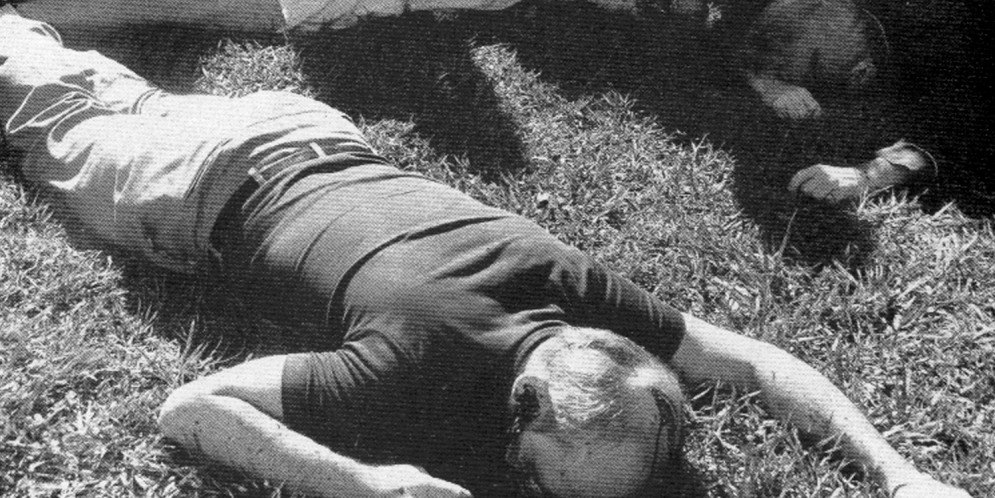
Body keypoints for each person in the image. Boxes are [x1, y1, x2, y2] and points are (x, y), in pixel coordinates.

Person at [0, 7, 972, 498]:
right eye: (549, 481)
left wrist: (898, 476)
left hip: (301, 129)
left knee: (108, 92)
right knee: (39, 99)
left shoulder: (572, 292)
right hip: (188, 190)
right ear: (520, 416)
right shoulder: (413, 365)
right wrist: (359, 485)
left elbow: (755, 363)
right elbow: (191, 409)